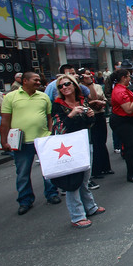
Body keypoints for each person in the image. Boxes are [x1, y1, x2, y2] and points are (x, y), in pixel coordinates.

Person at [0, 72, 61, 215]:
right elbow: (5, 120)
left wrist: (51, 133)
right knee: (22, 172)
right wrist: (4, 141)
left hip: (43, 140)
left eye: (39, 80)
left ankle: (52, 193)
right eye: (35, 80)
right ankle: (25, 200)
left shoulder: (43, 96)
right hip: (22, 142)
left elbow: (49, 117)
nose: (39, 82)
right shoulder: (11, 97)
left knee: (48, 170)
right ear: (25, 81)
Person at [51, 74, 104, 228]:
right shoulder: (58, 105)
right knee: (72, 182)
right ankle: (77, 216)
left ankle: (90, 207)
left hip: (84, 142)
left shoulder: (82, 100)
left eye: (67, 84)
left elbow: (88, 124)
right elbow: (59, 127)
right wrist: (72, 114)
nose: (64, 87)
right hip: (67, 147)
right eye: (61, 86)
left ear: (74, 85)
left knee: (85, 178)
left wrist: (90, 116)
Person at [109, 69, 133, 183]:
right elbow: (128, 109)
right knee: (130, 147)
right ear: (123, 78)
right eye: (129, 76)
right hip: (122, 121)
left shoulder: (123, 89)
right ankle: (131, 174)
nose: (130, 78)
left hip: (130, 120)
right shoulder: (120, 91)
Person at [78, 69, 113, 188]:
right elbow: (87, 100)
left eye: (89, 74)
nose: (88, 76)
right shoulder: (80, 88)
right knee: (95, 143)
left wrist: (99, 102)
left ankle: (105, 167)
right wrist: (94, 100)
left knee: (102, 141)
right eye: (85, 75)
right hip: (89, 116)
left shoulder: (97, 86)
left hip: (100, 114)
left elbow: (103, 100)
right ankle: (96, 170)